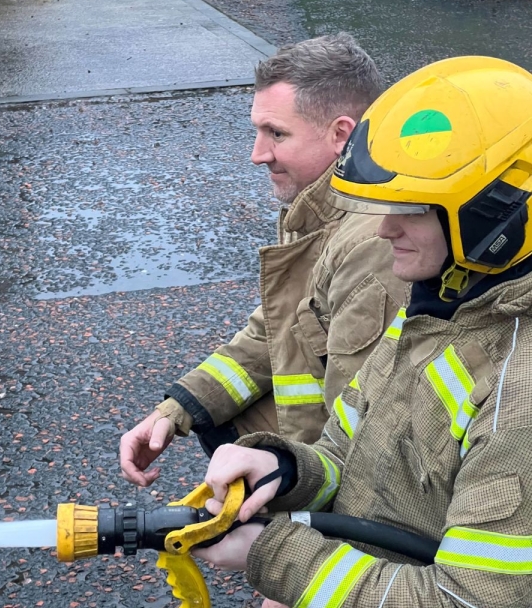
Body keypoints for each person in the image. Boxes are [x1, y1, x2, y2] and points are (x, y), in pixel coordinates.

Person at [194, 55, 532, 608]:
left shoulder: (518, 392)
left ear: (499, 217)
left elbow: (462, 600)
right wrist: (283, 468)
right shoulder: (437, 305)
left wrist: (277, 559)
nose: (384, 228)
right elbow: (347, 454)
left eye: (412, 209)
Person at [120, 33, 408, 487]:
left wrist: (288, 537)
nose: (257, 155)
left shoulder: (374, 245)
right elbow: (272, 332)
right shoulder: (321, 209)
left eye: (276, 133)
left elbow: (362, 441)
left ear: (340, 135)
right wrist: (179, 408)